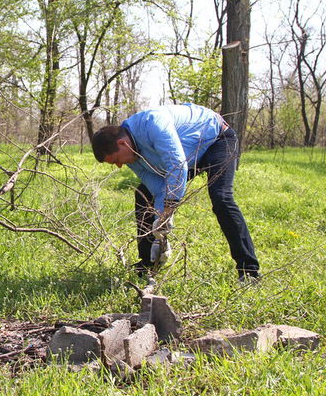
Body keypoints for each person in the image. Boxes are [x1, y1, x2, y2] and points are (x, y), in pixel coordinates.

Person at [91, 104, 260, 283]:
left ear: (122, 143)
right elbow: (158, 189)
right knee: (143, 195)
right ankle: (148, 262)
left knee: (221, 198)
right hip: (188, 157)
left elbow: (177, 166)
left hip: (216, 141)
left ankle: (249, 270)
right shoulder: (131, 157)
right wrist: (159, 230)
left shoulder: (153, 123)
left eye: (116, 160)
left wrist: (167, 212)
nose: (119, 165)